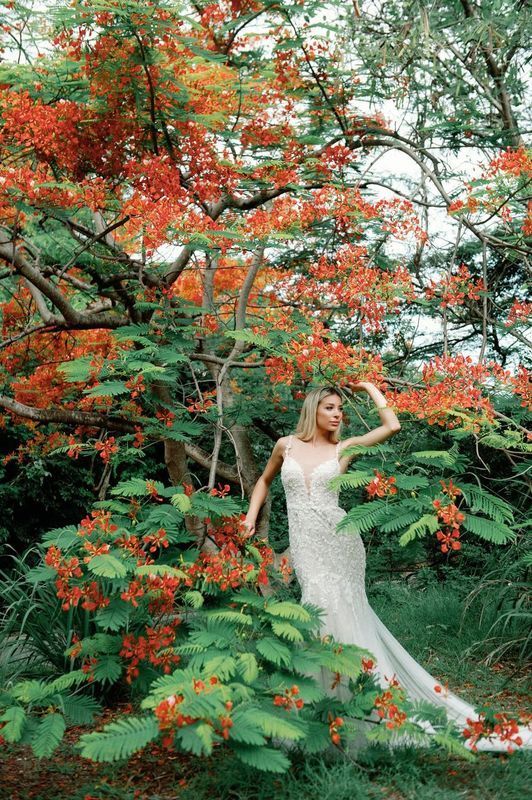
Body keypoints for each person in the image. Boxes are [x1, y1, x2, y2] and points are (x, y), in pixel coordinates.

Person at [244, 382, 531, 752]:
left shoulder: (342, 450)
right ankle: (317, 713)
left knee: (337, 610)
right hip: (306, 546)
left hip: (340, 542)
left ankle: (363, 712)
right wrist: (251, 517)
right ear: (313, 409)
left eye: (340, 409)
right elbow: (264, 482)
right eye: (330, 407)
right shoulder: (285, 445)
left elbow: (392, 427)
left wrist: (368, 388)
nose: (337, 414)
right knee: (314, 609)